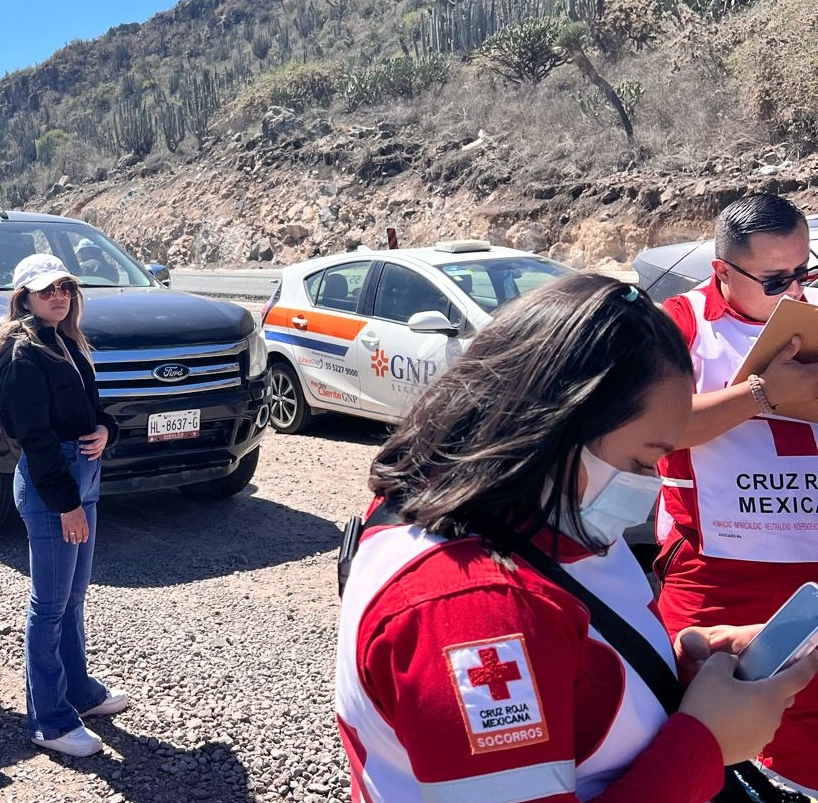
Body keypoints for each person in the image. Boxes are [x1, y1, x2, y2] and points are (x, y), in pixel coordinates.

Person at [335, 273, 818, 802]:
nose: (650, 483)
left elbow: (562, 661)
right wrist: (705, 742)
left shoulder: (507, 511)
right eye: (643, 459)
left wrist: (669, 668)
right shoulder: (474, 610)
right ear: (557, 423)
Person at [654, 192, 818, 791]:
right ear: (722, 270)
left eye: (805, 270)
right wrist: (761, 396)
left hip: (813, 567)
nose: (796, 291)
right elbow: (650, 425)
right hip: (716, 571)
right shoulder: (680, 322)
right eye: (777, 278)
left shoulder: (810, 313)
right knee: (704, 742)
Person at [0, 253, 127, 757]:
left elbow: (87, 410)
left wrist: (105, 427)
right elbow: (34, 436)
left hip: (80, 479)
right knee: (48, 607)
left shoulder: (64, 342)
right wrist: (67, 502)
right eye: (46, 289)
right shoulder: (21, 353)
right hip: (56, 487)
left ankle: (78, 692)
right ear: (23, 296)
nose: (58, 295)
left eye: (65, 287)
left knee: (72, 599)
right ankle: (48, 720)